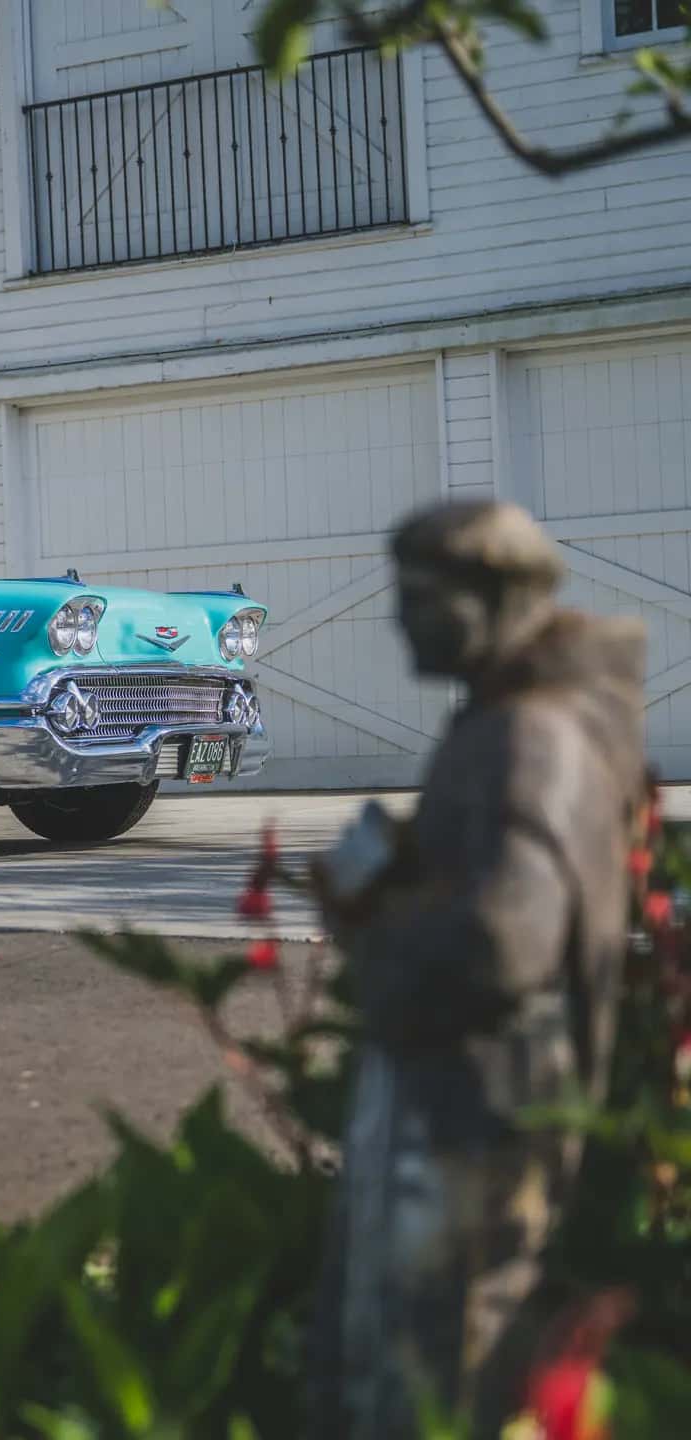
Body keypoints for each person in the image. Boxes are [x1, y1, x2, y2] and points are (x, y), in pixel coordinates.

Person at [307, 500, 648, 1438]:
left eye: (421, 597)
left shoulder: (527, 739)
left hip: (468, 1131)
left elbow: (502, 942)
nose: (399, 619)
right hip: (463, 1110)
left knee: (427, 1374)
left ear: (498, 597)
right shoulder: (513, 719)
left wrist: (374, 913)